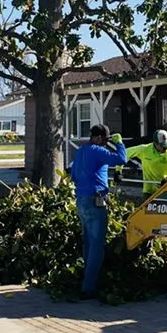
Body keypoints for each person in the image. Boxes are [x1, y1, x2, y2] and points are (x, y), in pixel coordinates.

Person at [70, 124, 127, 298]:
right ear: (99, 138)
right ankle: (89, 288)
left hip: (81, 200)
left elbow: (73, 176)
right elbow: (121, 159)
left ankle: (86, 280)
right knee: (96, 244)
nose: (106, 143)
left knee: (88, 242)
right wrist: (119, 143)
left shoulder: (80, 151)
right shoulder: (98, 151)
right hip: (96, 201)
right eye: (106, 139)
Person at [126, 129, 167, 198]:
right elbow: (124, 154)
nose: (165, 148)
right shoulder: (144, 149)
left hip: (165, 189)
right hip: (148, 191)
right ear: (155, 143)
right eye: (163, 145)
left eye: (166, 145)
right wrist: (118, 171)